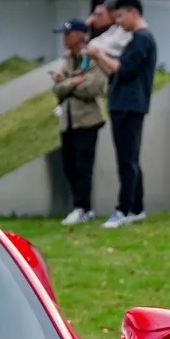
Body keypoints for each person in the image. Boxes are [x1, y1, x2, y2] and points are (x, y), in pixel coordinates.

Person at [92, 0, 157, 228]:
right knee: (130, 158)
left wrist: (100, 53)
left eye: (120, 17)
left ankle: (124, 209)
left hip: (129, 105)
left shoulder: (142, 39)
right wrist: (99, 58)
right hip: (123, 103)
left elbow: (124, 69)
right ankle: (137, 208)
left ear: (133, 13)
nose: (117, 22)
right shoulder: (136, 39)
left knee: (126, 160)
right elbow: (115, 70)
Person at [51, 19, 108, 224]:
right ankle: (81, 206)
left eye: (69, 33)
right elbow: (56, 89)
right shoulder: (68, 60)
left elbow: (92, 88)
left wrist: (66, 83)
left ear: (81, 36)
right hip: (68, 120)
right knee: (69, 165)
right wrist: (73, 82)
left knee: (83, 165)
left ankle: (82, 207)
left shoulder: (92, 58)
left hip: (87, 120)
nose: (66, 38)